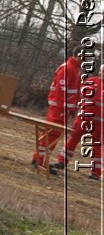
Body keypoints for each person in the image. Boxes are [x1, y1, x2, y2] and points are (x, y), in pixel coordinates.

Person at [35, 42, 83, 171]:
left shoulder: (76, 69)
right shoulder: (68, 68)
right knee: (51, 133)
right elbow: (61, 90)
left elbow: (75, 91)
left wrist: (73, 107)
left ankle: (40, 159)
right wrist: (64, 107)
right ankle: (40, 161)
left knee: (52, 134)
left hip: (64, 110)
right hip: (59, 109)